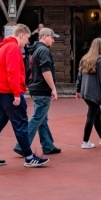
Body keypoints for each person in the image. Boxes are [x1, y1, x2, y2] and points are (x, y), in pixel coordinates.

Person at [0, 23, 49, 167]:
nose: (28, 42)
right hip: (9, 91)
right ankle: (29, 157)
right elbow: (13, 72)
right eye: (27, 38)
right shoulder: (13, 48)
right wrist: (17, 94)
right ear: (21, 35)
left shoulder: (2, 47)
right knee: (21, 123)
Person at [15, 27, 61, 157]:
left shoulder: (34, 50)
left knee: (42, 118)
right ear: (45, 37)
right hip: (42, 89)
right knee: (38, 118)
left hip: (35, 88)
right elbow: (46, 71)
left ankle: (48, 145)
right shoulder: (44, 50)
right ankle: (22, 145)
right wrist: (53, 88)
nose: (53, 40)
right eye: (52, 37)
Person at [76, 37, 101, 148]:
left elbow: (79, 75)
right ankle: (85, 141)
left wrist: (78, 89)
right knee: (91, 116)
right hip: (94, 93)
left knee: (96, 114)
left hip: (85, 91)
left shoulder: (85, 58)